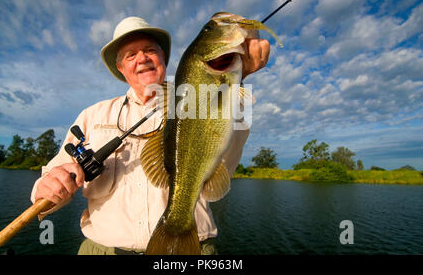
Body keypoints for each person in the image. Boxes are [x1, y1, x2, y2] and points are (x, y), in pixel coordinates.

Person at [30, 16, 270, 255]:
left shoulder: (199, 100)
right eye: (130, 55)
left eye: (150, 50)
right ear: (121, 68)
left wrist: (239, 78)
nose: (142, 58)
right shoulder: (92, 115)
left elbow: (224, 166)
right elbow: (48, 190)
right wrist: (49, 186)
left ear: (163, 59)